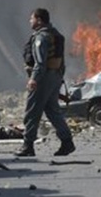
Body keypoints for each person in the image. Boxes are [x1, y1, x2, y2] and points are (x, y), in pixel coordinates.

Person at [16, 8, 75, 157]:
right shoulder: (55, 35)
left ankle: (27, 146)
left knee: (32, 111)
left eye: (32, 18)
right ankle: (67, 142)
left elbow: (40, 63)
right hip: (54, 76)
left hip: (43, 78)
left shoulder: (41, 37)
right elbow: (61, 61)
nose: (30, 21)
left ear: (39, 20)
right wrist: (59, 78)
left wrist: (34, 79)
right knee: (52, 110)